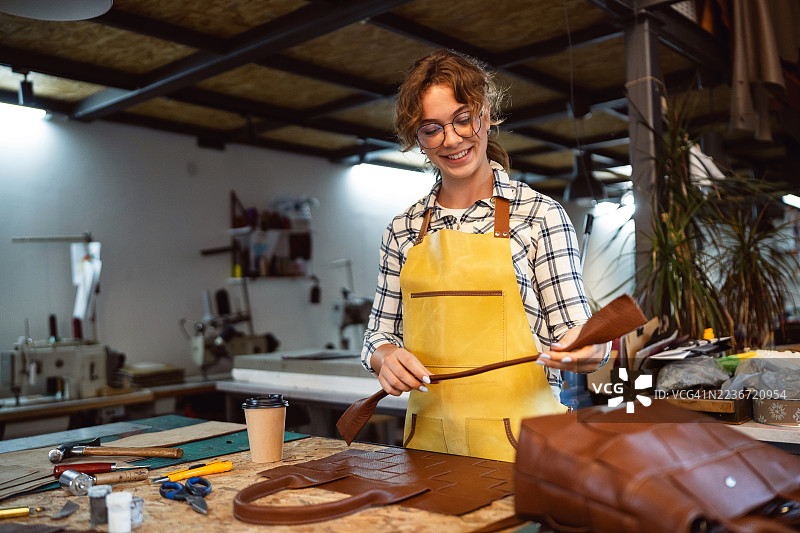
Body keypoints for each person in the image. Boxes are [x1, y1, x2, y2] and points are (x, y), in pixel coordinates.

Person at [360, 49, 609, 462]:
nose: (452, 139)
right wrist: (384, 356)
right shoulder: (403, 230)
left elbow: (581, 334)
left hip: (526, 450)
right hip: (428, 445)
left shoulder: (540, 215)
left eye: (463, 118)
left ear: (486, 114)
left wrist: (587, 351)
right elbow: (377, 334)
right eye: (431, 129)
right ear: (417, 140)